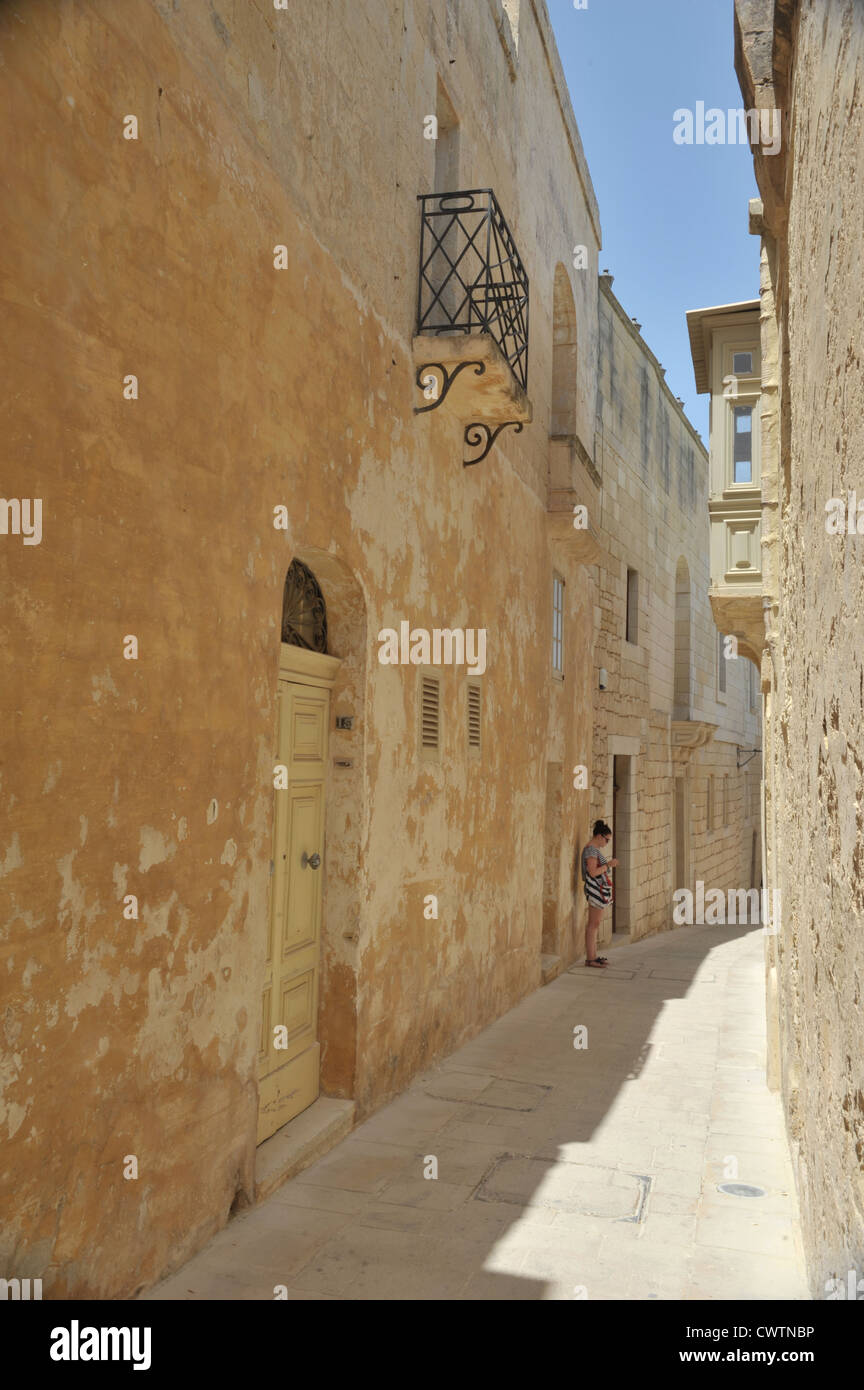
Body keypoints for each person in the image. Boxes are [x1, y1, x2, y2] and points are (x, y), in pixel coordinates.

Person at [580, 820, 618, 968]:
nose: (607, 843)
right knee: (593, 924)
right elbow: (593, 872)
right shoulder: (591, 850)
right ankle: (590, 958)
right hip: (595, 890)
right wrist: (608, 865)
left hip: (598, 890)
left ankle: (593, 956)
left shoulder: (594, 850)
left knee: (595, 924)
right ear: (600, 836)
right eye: (607, 840)